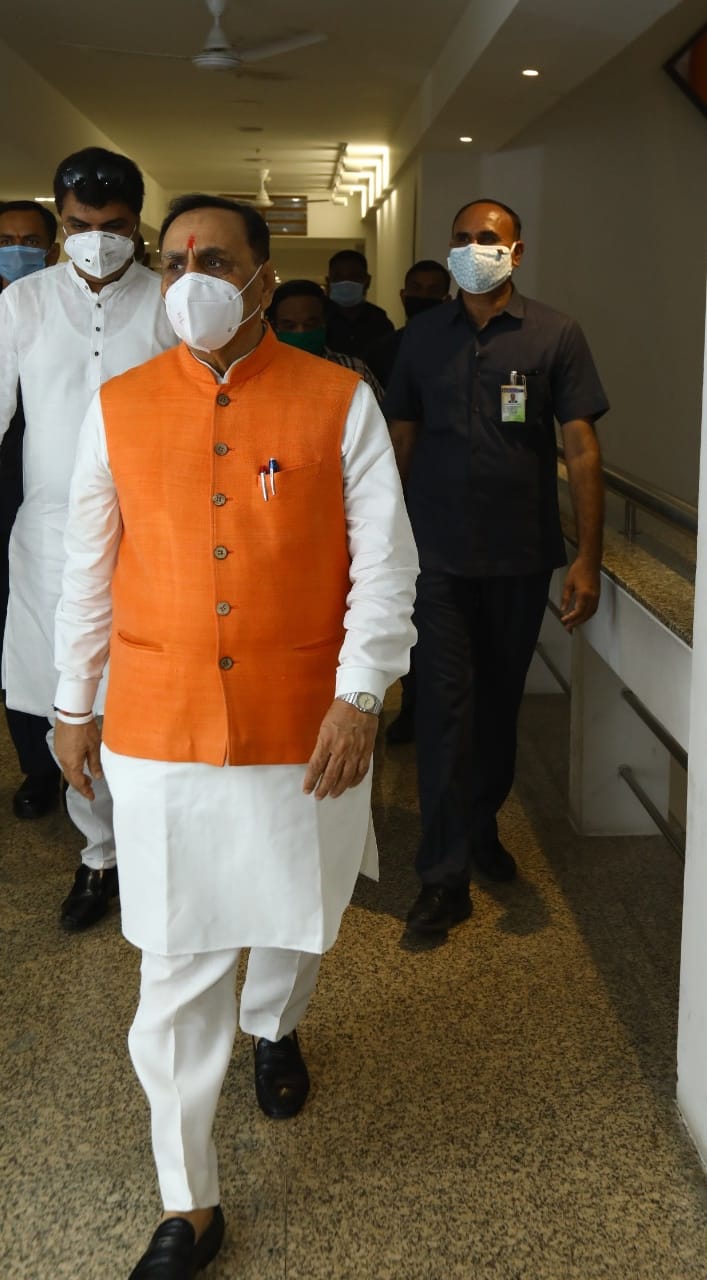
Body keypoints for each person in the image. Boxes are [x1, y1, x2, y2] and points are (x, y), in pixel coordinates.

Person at [53, 194, 417, 1278]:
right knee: (174, 959)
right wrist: (74, 701)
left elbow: (384, 564)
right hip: (161, 729)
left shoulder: (335, 397)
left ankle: (275, 1020)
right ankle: (188, 1199)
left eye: (211, 256)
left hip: (305, 726)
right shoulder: (115, 404)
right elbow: (85, 567)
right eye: (171, 261)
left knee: (295, 920)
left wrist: (360, 696)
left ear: (264, 274)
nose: (187, 275)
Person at [384, 198, 608, 942]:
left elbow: (579, 447)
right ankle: (442, 876)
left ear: (515, 253)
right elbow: (400, 443)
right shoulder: (419, 338)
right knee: (445, 710)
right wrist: (379, 545)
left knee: (497, 708)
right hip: (436, 557)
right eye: (461, 239)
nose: (472, 249)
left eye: (487, 239)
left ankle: (478, 827)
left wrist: (588, 556)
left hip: (519, 554)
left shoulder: (554, 333)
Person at [0, 147, 176, 930]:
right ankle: (99, 855)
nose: (94, 240)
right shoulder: (22, 304)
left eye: (112, 227)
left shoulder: (174, 301)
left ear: (138, 222)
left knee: (148, 703)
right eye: (77, 225)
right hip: (52, 542)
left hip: (154, 538)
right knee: (69, 706)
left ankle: (161, 853)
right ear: (57, 216)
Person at [363, 259, 451, 746]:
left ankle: (419, 709)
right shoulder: (384, 349)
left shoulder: (453, 346)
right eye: (415, 288)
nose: (421, 295)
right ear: (401, 294)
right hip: (395, 493)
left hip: (431, 503)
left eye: (431, 290)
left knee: (425, 621)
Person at [0, 201, 62, 819]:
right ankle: (37, 768)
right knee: (15, 640)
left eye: (28, 240)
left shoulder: (61, 308)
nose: (16, 250)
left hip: (51, 494)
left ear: (51, 247)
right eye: (4, 240)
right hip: (4, 498)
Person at [267, 277, 383, 402]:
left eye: (310, 324)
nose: (301, 331)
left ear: (324, 322)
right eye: (289, 326)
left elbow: (381, 418)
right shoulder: (262, 374)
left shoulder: (355, 371)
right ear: (274, 326)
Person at [365, 258, 451, 388]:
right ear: (403, 296)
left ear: (447, 300)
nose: (424, 296)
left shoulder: (460, 350)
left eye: (433, 290)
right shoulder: (380, 352)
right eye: (416, 288)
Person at [325, 248, 393, 357]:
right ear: (328, 282)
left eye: (354, 277)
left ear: (367, 281)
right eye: (338, 278)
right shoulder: (318, 320)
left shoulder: (379, 321)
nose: (346, 283)